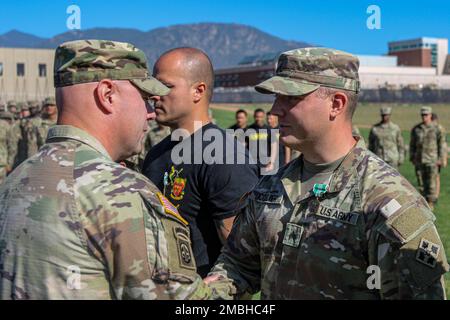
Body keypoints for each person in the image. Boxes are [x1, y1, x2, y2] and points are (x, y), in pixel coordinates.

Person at [206, 48, 448, 300]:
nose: (275, 111)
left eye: (290, 98)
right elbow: (238, 266)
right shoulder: (270, 188)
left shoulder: (387, 203)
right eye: (276, 98)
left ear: (336, 104)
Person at [0, 40, 212, 300]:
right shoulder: (121, 192)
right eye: (145, 98)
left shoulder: (15, 181)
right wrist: (231, 275)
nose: (149, 112)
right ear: (107, 94)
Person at [142, 47, 259, 278]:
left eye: (165, 86)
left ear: (198, 91)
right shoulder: (155, 154)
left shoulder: (224, 155)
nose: (154, 94)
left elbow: (243, 258)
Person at [410, 106, 446, 209]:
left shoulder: (437, 128)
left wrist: (441, 159)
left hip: (432, 160)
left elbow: (442, 144)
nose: (424, 117)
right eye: (422, 115)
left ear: (430, 115)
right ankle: (423, 202)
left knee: (431, 183)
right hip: (419, 160)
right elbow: (412, 144)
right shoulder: (416, 129)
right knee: (421, 182)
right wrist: (412, 157)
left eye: (426, 115)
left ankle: (431, 204)